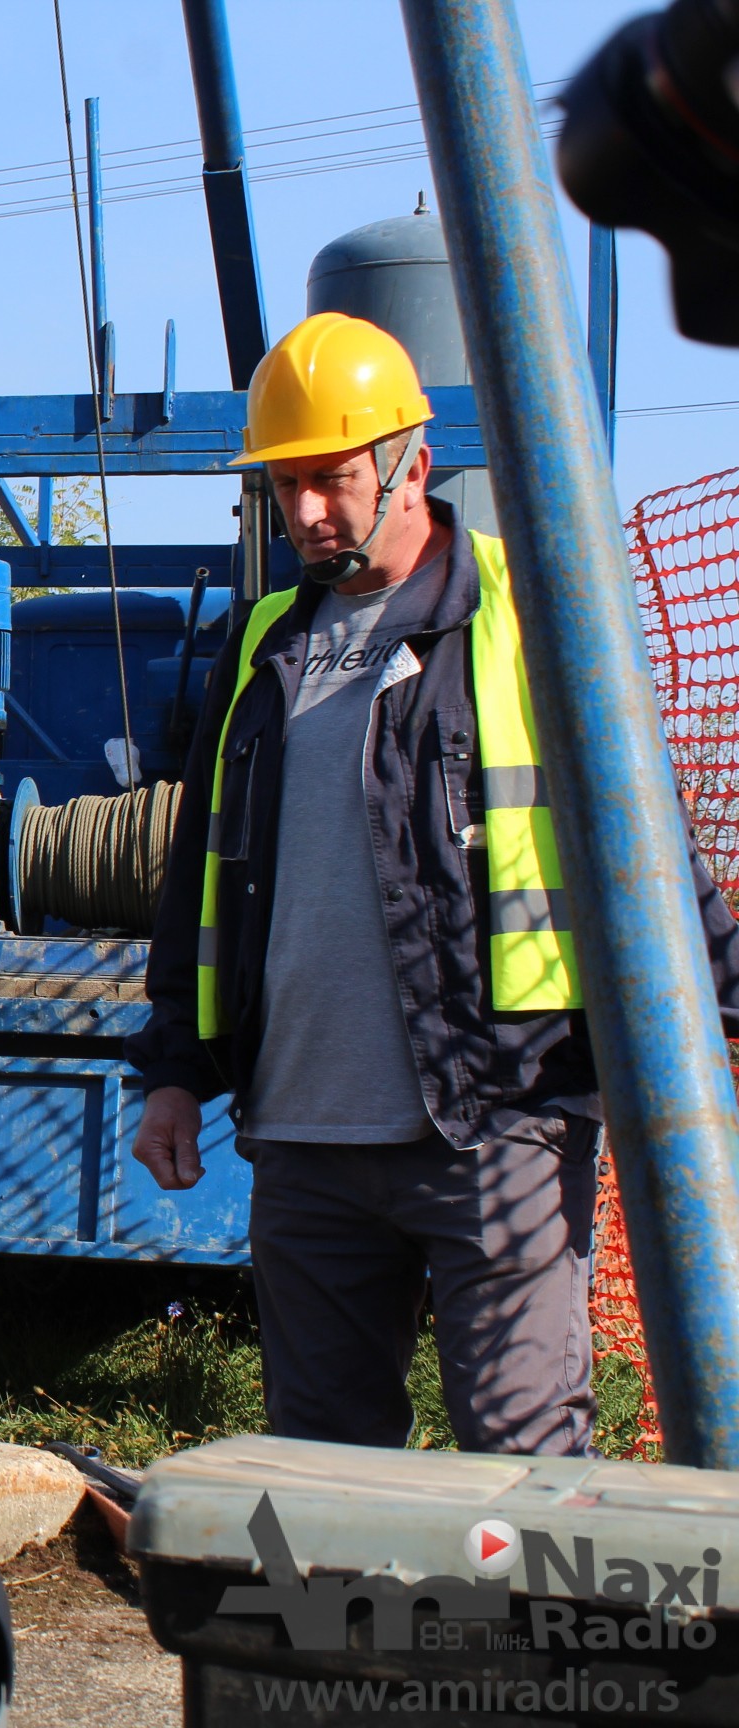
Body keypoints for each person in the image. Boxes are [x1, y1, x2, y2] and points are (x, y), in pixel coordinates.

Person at [127, 314, 739, 1456]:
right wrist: (171, 1071)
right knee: (321, 1463)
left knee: (520, 1459)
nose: (307, 513)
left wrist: (720, 1009)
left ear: (410, 459)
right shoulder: (264, 644)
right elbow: (199, 881)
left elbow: (650, 858)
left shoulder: (535, 615)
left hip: (498, 1122)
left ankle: (533, 1643)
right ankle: (348, 1645)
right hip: (303, 1141)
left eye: (332, 480)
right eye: (286, 486)